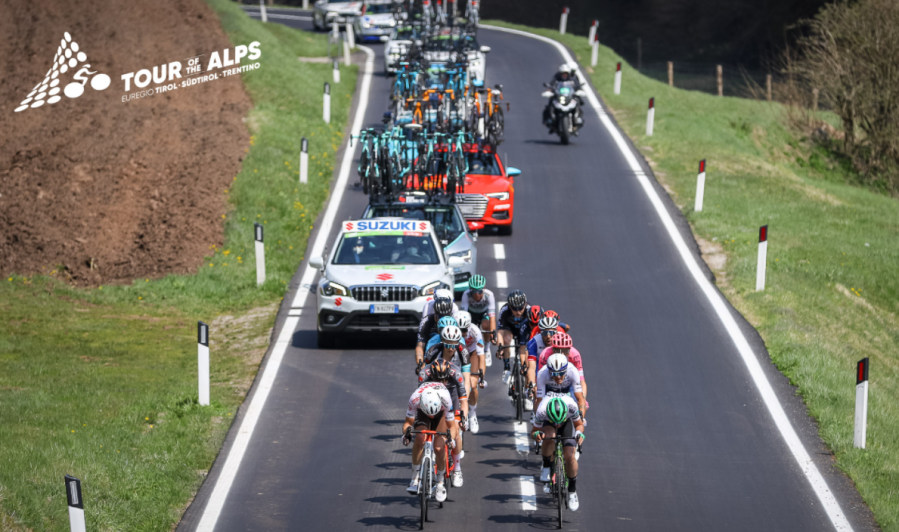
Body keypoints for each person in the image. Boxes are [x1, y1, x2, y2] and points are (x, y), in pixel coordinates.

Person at [402, 383, 457, 502]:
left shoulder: (446, 399)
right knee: (420, 437)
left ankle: (440, 482)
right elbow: (407, 423)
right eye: (430, 414)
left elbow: (452, 427)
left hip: (441, 414)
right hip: (422, 414)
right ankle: (414, 478)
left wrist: (450, 439)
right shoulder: (415, 399)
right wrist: (406, 434)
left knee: (439, 447)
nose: (431, 416)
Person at [531, 395, 585, 511]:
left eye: (559, 422)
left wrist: (579, 434)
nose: (557, 425)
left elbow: (579, 425)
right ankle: (546, 466)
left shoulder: (572, 406)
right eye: (555, 422)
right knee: (549, 436)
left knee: (570, 456)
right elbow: (534, 431)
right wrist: (537, 435)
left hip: (567, 423)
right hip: (548, 424)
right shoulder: (542, 410)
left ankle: (572, 491)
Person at [420, 359, 467, 487]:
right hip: (432, 397)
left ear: (448, 376)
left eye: (444, 379)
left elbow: (463, 401)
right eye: (437, 379)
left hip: (452, 397)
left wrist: (463, 419)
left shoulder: (456, 373)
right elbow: (420, 398)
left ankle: (457, 469)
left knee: (456, 429)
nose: (441, 383)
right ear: (431, 376)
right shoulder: (424, 374)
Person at [496, 290, 537, 409]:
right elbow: (500, 332)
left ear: (525, 305)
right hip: (510, 329)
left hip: (525, 331)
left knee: (527, 363)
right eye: (515, 309)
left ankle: (528, 395)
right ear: (510, 306)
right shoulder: (504, 310)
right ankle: (507, 367)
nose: (518, 312)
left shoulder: (529, 310)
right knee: (506, 340)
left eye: (520, 308)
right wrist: (500, 348)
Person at [455, 311, 485, 433]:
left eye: (464, 330)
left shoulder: (475, 331)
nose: (463, 333)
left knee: (473, 385)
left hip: (471, 353)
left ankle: (472, 414)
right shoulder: (451, 330)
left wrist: (481, 376)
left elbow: (481, 357)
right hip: (457, 353)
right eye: (460, 330)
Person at [537, 332, 587, 402]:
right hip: (550, 382)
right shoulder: (545, 354)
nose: (562, 353)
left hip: (569, 383)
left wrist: (583, 399)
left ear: (570, 349)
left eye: (566, 351)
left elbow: (581, 380)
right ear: (552, 349)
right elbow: (540, 377)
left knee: (578, 400)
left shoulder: (575, 354)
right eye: (558, 350)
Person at [459, 275, 496, 367]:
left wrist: (493, 334)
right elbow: (464, 315)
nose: (476, 294)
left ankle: (486, 349)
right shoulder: (466, 294)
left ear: (484, 289)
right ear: (470, 290)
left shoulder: (489, 295)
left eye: (479, 291)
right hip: (471, 314)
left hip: (484, 313)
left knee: (486, 325)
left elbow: (492, 317)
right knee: (467, 330)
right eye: (474, 291)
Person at [415, 293, 458, 372]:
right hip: (431, 345)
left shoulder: (455, 320)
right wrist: (420, 364)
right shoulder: (426, 321)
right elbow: (420, 345)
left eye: (446, 315)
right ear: (435, 315)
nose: (443, 319)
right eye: (440, 316)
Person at [542, 63, 585, 130]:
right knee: (550, 102)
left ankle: (578, 118)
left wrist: (579, 90)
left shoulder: (573, 78)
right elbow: (551, 84)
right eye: (563, 73)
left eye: (566, 73)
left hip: (569, 95)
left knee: (577, 101)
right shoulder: (557, 77)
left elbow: (577, 85)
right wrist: (550, 90)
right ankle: (549, 119)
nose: (564, 75)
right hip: (559, 95)